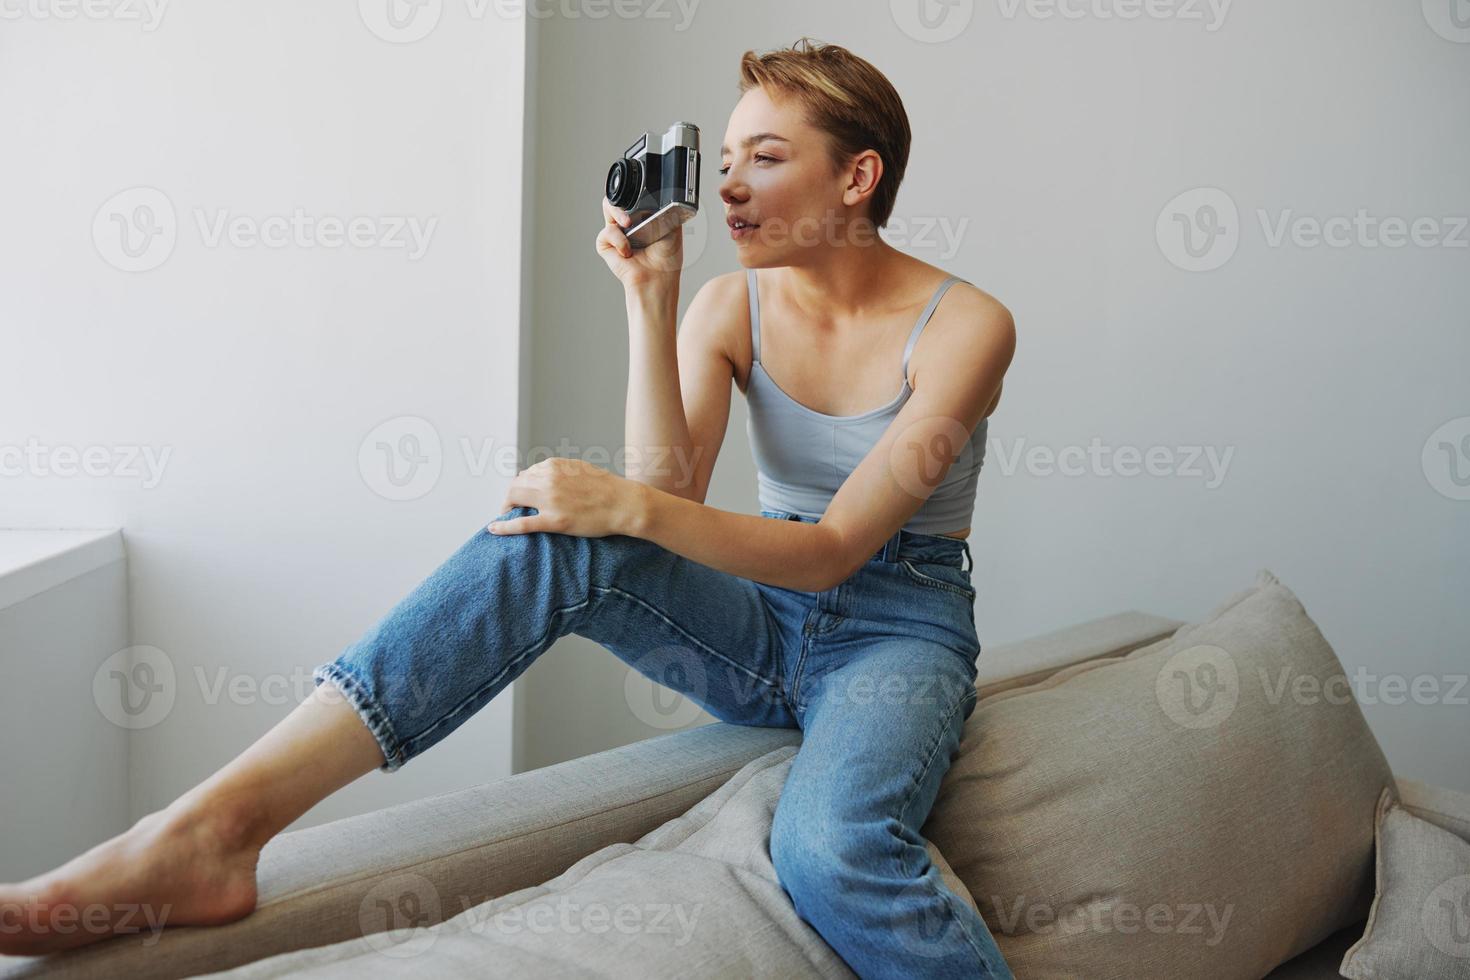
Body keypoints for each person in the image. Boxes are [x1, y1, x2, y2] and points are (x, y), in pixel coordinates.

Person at [0, 37, 1016, 979]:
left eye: (766, 158)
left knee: (830, 850)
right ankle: (207, 833)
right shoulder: (729, 307)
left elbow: (839, 547)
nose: (731, 187)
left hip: (898, 628)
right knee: (557, 540)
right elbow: (663, 499)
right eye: (729, 158)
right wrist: (649, 298)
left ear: (857, 175)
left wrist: (623, 501)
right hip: (761, 616)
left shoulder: (965, 325)